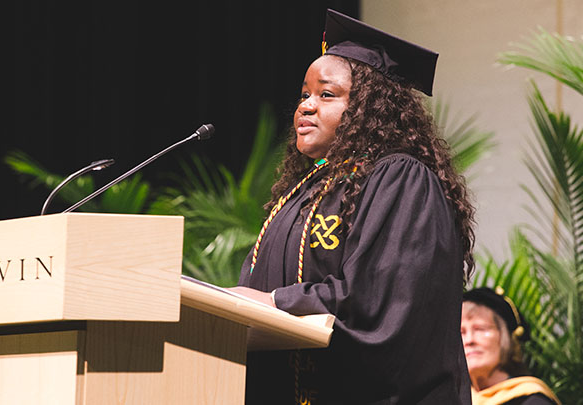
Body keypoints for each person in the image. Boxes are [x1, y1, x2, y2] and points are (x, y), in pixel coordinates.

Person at [228, 9, 476, 405]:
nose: (306, 106)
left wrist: (277, 302)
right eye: (304, 94)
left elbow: (377, 302)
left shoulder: (399, 178)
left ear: (370, 107)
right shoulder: (302, 192)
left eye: (327, 95)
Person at [461, 287, 561, 405]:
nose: (469, 340)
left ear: (505, 339)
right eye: (461, 332)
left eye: (480, 329)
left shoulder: (531, 401)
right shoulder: (452, 399)